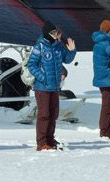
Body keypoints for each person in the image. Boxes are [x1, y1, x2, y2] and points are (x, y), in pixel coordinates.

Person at [27, 21, 77, 150]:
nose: (57, 35)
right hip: (42, 87)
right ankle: (42, 142)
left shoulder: (58, 45)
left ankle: (50, 139)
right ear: (48, 34)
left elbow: (67, 59)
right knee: (44, 114)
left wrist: (72, 51)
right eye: (54, 33)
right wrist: (43, 78)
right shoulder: (40, 46)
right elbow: (31, 65)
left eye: (57, 32)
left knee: (53, 114)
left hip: (55, 86)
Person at [93, 19, 110, 139]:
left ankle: (106, 130)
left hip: (105, 79)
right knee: (109, 106)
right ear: (108, 31)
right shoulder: (106, 44)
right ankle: (105, 131)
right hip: (107, 79)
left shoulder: (102, 42)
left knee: (109, 105)